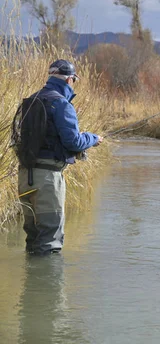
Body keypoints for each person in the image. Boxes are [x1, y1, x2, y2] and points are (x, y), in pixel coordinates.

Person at [18, 59, 104, 255]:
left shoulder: (31, 100)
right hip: (48, 180)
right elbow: (73, 142)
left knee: (33, 240)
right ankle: (47, 285)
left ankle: (29, 285)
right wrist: (93, 138)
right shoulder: (61, 104)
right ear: (69, 80)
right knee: (49, 243)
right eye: (75, 79)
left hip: (24, 177)